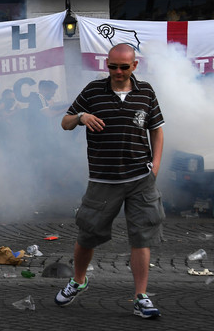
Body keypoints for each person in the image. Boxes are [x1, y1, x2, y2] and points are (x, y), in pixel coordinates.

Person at [54, 43, 165, 319]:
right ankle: (78, 281)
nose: (117, 71)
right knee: (88, 234)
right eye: (112, 66)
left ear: (134, 66)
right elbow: (65, 122)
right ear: (107, 64)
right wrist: (82, 116)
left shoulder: (146, 92)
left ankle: (141, 296)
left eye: (123, 67)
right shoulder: (93, 91)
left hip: (141, 177)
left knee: (142, 236)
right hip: (103, 179)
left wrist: (155, 168)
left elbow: (157, 131)